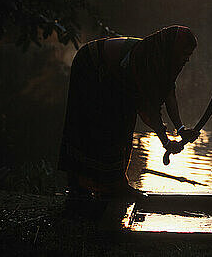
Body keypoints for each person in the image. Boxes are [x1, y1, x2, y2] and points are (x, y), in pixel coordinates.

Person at [58, 25, 200, 197]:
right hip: (90, 65)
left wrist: (181, 129)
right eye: (185, 54)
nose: (187, 59)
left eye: (189, 55)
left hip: (114, 76)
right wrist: (165, 141)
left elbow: (169, 94)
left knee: (123, 119)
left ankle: (110, 184)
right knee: (103, 123)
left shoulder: (167, 60)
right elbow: (149, 109)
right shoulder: (148, 59)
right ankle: (90, 185)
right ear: (174, 49)